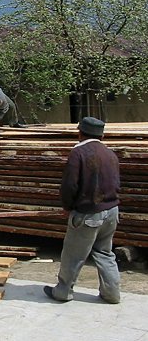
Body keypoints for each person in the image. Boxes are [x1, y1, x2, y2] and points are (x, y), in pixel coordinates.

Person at [44, 117, 121, 304]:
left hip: (88, 214)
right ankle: (112, 294)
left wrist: (67, 207)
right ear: (101, 135)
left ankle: (63, 292)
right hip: (112, 212)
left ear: (80, 133)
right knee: (105, 253)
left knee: (73, 255)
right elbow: (116, 183)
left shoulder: (78, 153)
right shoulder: (110, 154)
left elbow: (70, 185)